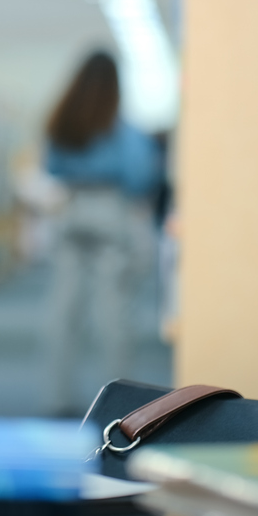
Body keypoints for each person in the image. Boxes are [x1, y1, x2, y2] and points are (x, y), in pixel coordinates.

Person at [40, 51, 160, 415]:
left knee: (64, 311)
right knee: (114, 314)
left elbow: (51, 167)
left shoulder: (62, 122)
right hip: (111, 213)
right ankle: (117, 403)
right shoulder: (123, 131)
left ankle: (58, 398)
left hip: (71, 211)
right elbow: (141, 177)